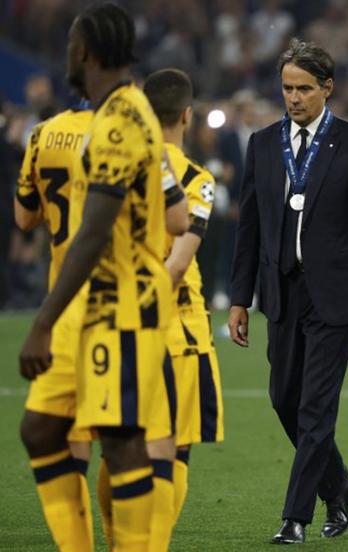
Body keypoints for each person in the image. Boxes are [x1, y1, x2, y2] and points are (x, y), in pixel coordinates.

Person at [18, 3, 189, 550]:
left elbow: (93, 230)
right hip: (95, 304)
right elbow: (174, 209)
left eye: (71, 45)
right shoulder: (122, 110)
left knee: (119, 440)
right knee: (42, 427)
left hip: (121, 302)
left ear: (86, 51)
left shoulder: (118, 121)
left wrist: (43, 322)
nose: (66, 54)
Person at [227, 38, 348, 545]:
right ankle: (342, 484)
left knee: (315, 408)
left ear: (327, 88)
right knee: (283, 398)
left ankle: (295, 516)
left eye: (304, 88)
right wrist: (239, 298)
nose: (293, 98)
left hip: (335, 296)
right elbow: (250, 229)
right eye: (287, 88)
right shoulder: (263, 144)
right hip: (281, 291)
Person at [144, 67, 226, 543]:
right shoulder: (197, 179)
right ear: (187, 116)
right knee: (174, 451)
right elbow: (177, 265)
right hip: (177, 330)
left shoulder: (119, 169)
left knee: (122, 453)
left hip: (116, 327)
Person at [15, 100, 94, 551]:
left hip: (62, 303)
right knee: (132, 442)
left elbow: (24, 217)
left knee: (61, 431)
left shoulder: (43, 133)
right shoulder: (126, 130)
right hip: (117, 302)